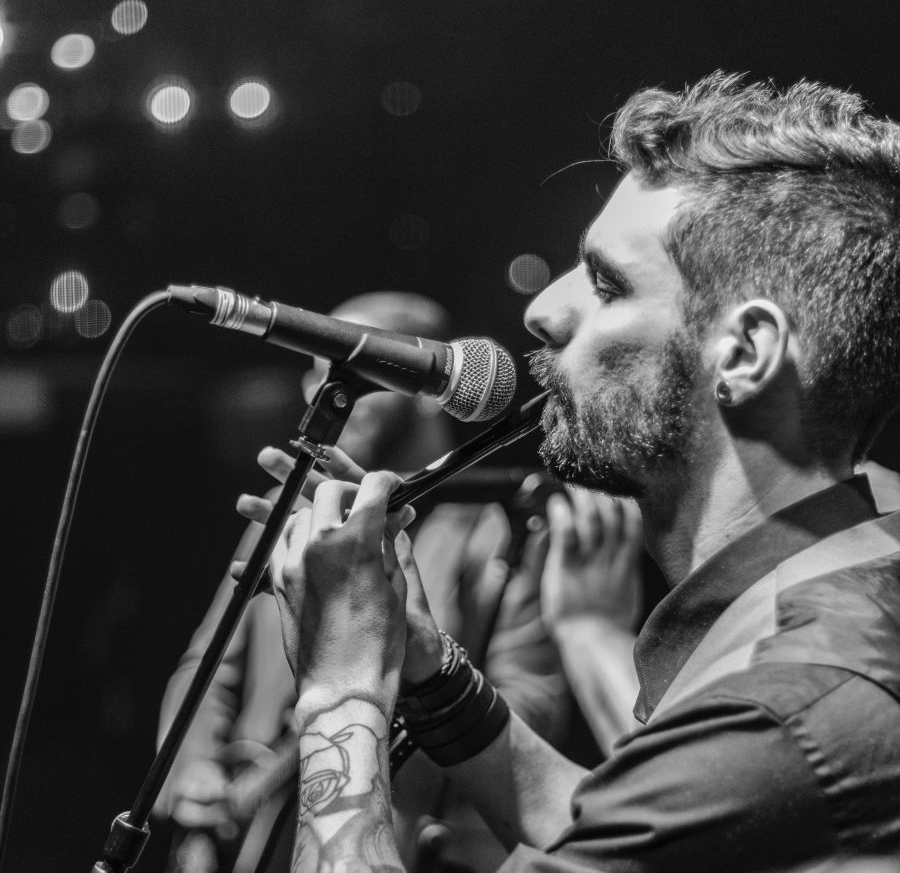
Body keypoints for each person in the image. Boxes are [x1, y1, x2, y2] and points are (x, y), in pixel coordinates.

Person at [244, 71, 900, 872]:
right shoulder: (846, 590)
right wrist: (430, 670)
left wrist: (340, 689)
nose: (544, 311)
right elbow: (622, 833)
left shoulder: (786, 705)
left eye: (607, 285)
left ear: (745, 353)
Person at [153, 292, 573, 873]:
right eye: (315, 371)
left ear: (431, 386)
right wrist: (196, 771)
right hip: (252, 836)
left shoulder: (498, 530)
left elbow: (532, 704)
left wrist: (412, 690)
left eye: (351, 368)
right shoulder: (292, 511)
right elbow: (207, 668)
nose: (319, 389)